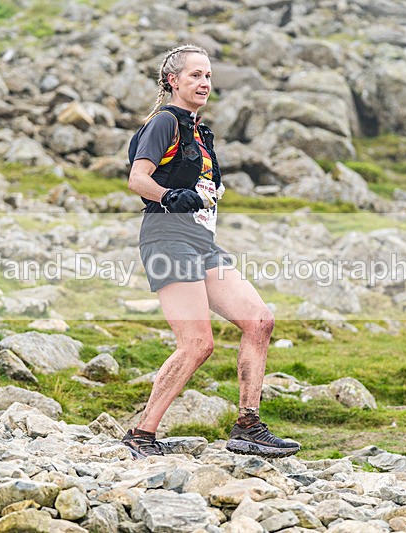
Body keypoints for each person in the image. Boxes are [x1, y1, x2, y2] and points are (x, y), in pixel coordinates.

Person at [122, 44, 301, 460]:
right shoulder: (165, 122)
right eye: (195, 75)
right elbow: (137, 179)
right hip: (168, 237)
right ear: (173, 81)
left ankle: (248, 426)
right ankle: (141, 434)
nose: (204, 83)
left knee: (259, 321)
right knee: (197, 343)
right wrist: (170, 196)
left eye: (208, 76)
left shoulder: (199, 130)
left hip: (202, 242)